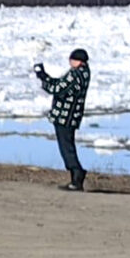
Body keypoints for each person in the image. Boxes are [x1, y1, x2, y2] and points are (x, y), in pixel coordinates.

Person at [33, 46, 91, 190]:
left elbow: (56, 89)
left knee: (66, 147)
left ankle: (77, 175)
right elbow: (61, 84)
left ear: (78, 61)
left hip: (66, 116)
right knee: (68, 145)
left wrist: (42, 77)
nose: (70, 62)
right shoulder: (84, 73)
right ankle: (75, 177)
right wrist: (47, 78)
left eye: (72, 59)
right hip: (73, 116)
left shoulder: (75, 75)